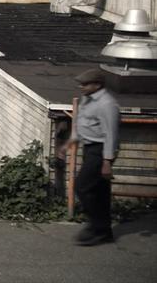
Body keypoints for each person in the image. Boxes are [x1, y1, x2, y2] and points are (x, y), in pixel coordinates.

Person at [71, 68, 120, 246]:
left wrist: (107, 162)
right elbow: (82, 121)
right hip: (89, 147)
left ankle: (96, 226)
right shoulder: (88, 99)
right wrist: (70, 142)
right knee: (99, 192)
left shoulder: (107, 104)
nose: (81, 87)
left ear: (97, 85)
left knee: (82, 187)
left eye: (85, 84)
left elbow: (111, 135)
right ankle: (104, 232)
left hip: (100, 151)